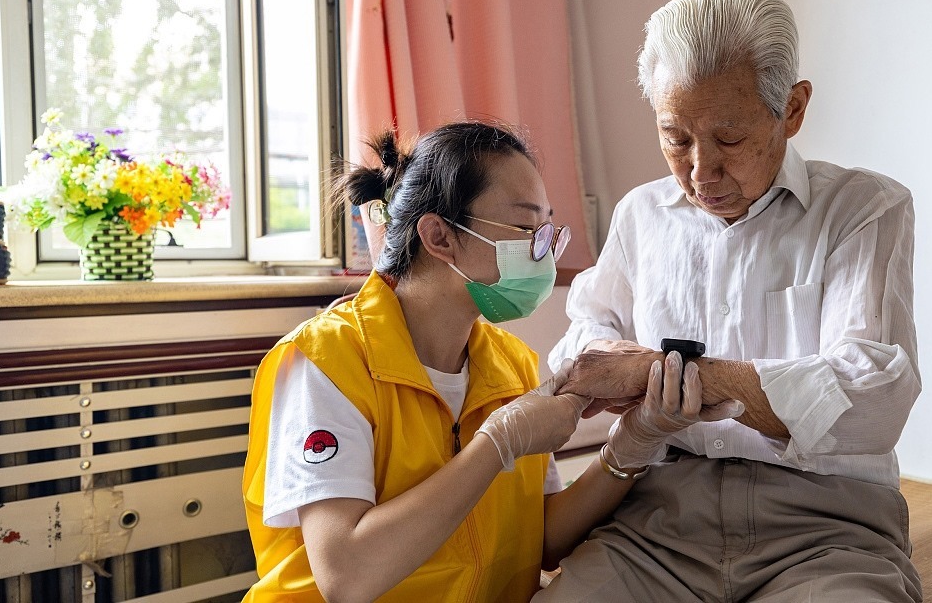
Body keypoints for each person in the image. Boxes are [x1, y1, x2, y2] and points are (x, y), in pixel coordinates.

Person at [538, 0, 922, 602]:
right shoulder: (641, 215)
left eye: (730, 139)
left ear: (792, 108)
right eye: (676, 138)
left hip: (825, 528)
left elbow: (871, 399)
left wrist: (669, 374)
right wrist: (625, 370)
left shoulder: (863, 208)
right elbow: (582, 351)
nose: (700, 171)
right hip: (655, 523)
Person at [242, 122, 642, 602]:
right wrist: (496, 444)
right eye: (524, 229)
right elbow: (346, 577)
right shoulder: (329, 362)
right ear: (439, 236)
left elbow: (545, 541)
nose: (543, 254)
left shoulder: (511, 364)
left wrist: (631, 444)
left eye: (547, 233)